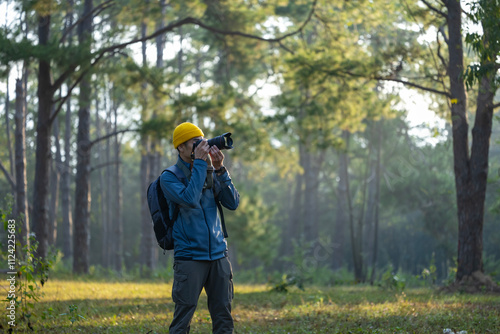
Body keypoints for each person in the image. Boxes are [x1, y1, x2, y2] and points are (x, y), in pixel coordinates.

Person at [161, 122, 240, 334]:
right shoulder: (169, 177)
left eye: (202, 142)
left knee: (223, 315)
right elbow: (190, 199)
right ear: (181, 148)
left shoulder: (208, 169)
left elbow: (232, 203)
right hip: (190, 258)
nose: (201, 147)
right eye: (195, 144)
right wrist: (201, 165)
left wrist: (220, 169)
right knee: (182, 319)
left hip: (218, 255)